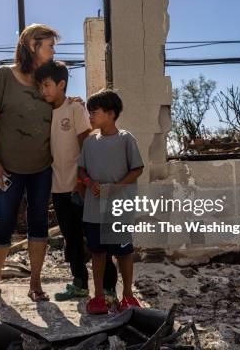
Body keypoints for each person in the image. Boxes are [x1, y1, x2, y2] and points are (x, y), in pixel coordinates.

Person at [0, 24, 58, 302]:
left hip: (42, 167)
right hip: (7, 168)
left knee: (39, 223)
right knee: (3, 223)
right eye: (49, 46)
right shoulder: (4, 75)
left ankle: (35, 284)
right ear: (31, 45)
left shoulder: (49, 79)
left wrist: (69, 101)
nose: (53, 51)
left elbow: (58, 107)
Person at [34, 60, 119, 304]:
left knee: (95, 240)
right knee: (71, 240)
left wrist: (83, 182)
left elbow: (87, 146)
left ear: (61, 85)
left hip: (79, 186)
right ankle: (80, 284)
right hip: (58, 187)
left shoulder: (75, 110)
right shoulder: (45, 112)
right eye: (41, 86)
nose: (44, 91)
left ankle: (109, 289)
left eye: (48, 85)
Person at [78, 89, 144, 314]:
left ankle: (127, 296)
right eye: (89, 112)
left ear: (111, 113)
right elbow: (81, 169)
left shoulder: (126, 139)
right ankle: (98, 297)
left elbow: (137, 168)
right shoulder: (89, 143)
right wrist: (89, 182)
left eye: (94, 112)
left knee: (123, 252)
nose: (90, 117)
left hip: (118, 209)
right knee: (97, 252)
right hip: (94, 209)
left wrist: (117, 187)